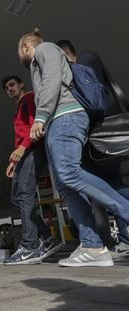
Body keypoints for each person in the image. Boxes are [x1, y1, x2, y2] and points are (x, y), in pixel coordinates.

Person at [18, 29, 129, 267]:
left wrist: (41, 116)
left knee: (68, 172)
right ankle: (92, 246)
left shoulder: (45, 48)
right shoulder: (40, 58)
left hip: (64, 116)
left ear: (26, 46)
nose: (21, 55)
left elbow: (52, 77)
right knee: (65, 186)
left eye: (20, 51)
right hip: (56, 124)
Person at [56, 40, 129, 255]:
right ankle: (124, 239)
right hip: (103, 136)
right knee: (112, 184)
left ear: (66, 53)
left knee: (113, 186)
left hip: (102, 135)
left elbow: (93, 99)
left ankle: (122, 238)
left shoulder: (85, 60)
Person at [1, 76, 62, 265]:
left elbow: (36, 125)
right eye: (6, 87)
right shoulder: (18, 108)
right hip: (24, 154)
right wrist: (14, 160)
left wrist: (22, 148)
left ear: (21, 85)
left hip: (34, 150)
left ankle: (30, 246)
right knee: (16, 199)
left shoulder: (29, 98)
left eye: (12, 85)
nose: (9, 89)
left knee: (25, 194)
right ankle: (48, 239)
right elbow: (21, 134)